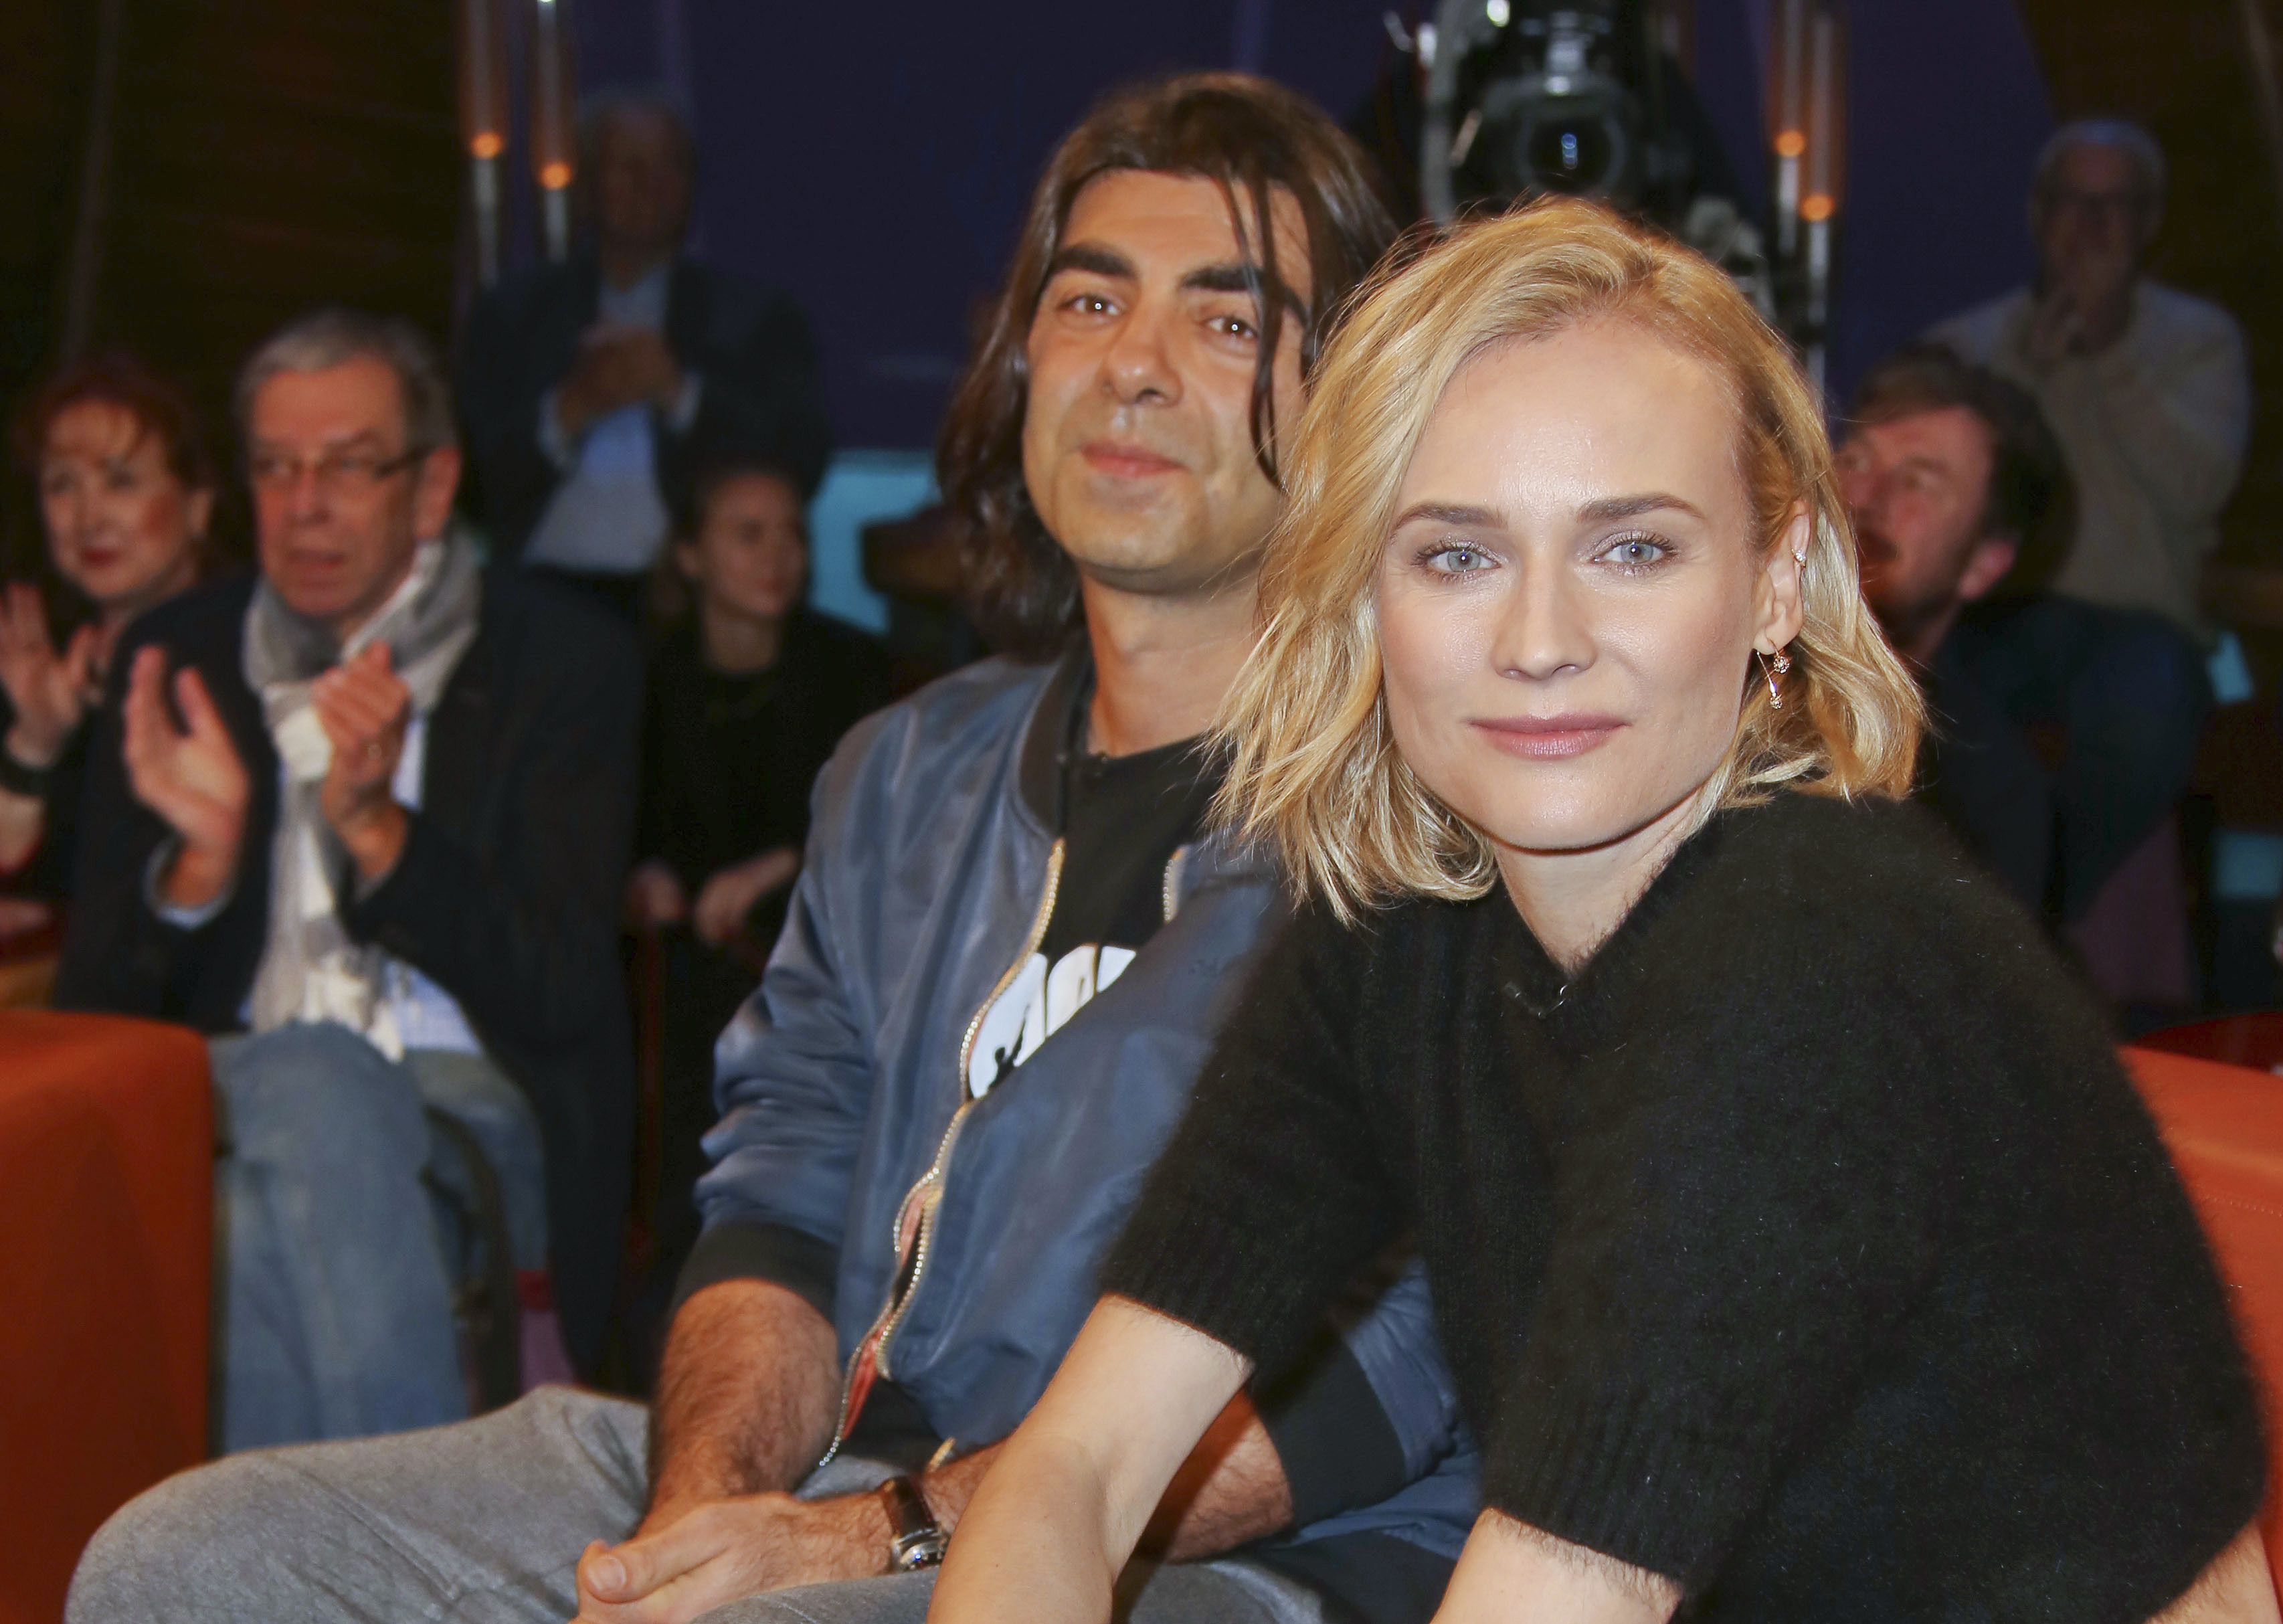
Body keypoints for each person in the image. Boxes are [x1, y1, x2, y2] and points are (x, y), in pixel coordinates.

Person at [71, 74, 1473, 1624]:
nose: (1132, 365)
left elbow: (1405, 1339)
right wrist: (703, 1510)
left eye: (1226, 319)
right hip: (840, 1478)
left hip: (1208, 1546)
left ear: (1350, 400)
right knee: (188, 1559)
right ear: (1023, 364)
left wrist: (878, 1533)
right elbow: (783, 1195)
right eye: (1089, 301)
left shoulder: (1423, 804)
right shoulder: (905, 772)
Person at [931, 200, 2276, 1624]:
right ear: (1362, 594)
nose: (1538, 641)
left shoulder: (1814, 962)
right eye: (1456, 554)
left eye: (1631, 549)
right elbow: (1072, 1470)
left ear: (1774, 581)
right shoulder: (1408, 927)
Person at [52, 308, 640, 1448]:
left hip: (469, 1097)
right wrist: (198, 869)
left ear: (431, 487)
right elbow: (97, 1020)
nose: (304, 504)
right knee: (308, 1076)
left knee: (244, 1215)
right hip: (234, 1084)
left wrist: (380, 835)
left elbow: (563, 988)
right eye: (276, 467)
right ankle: (415, 1537)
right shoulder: (179, 656)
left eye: (347, 466)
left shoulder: (560, 659)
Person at [624, 453, 893, 1364]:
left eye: (791, 534)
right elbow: (619, 826)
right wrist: (642, 877)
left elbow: (881, 831)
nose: (777, 556)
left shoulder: (855, 671)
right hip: (672, 977)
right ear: (690, 555)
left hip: (813, 962)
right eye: (748, 534)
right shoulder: (643, 676)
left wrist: (780, 865)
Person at [1926, 118, 2230, 921]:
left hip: (2141, 624)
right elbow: (1949, 495)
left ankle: (2038, 920)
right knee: (1924, 707)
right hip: (1999, 615)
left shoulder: (2200, 342)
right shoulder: (1970, 343)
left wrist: (2108, 359)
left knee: (2144, 718)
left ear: (2148, 221)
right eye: (2073, 201)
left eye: (2114, 205)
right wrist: (2031, 367)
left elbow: (2198, 488)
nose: (2092, 226)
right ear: (2036, 213)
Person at [458, 90, 830, 615]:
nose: (650, 184)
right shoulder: (515, 312)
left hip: (698, 606)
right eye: (628, 166)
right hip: (544, 594)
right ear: (587, 184)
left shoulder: (754, 318)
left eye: (669, 166)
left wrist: (679, 394)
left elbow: (802, 459)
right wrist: (570, 408)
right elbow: (470, 483)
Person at [1837, 343, 2070, 914]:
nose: (1865, 499)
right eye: (1856, 461)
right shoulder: (1714, 691)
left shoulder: (1986, 797)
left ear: (1983, 565)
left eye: (1918, 482)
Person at [1, 355, 220, 922]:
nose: (89, 517)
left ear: (197, 507)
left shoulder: (240, 667)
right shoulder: (42, 666)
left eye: (121, 482)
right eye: (62, 486)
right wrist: (34, 744)